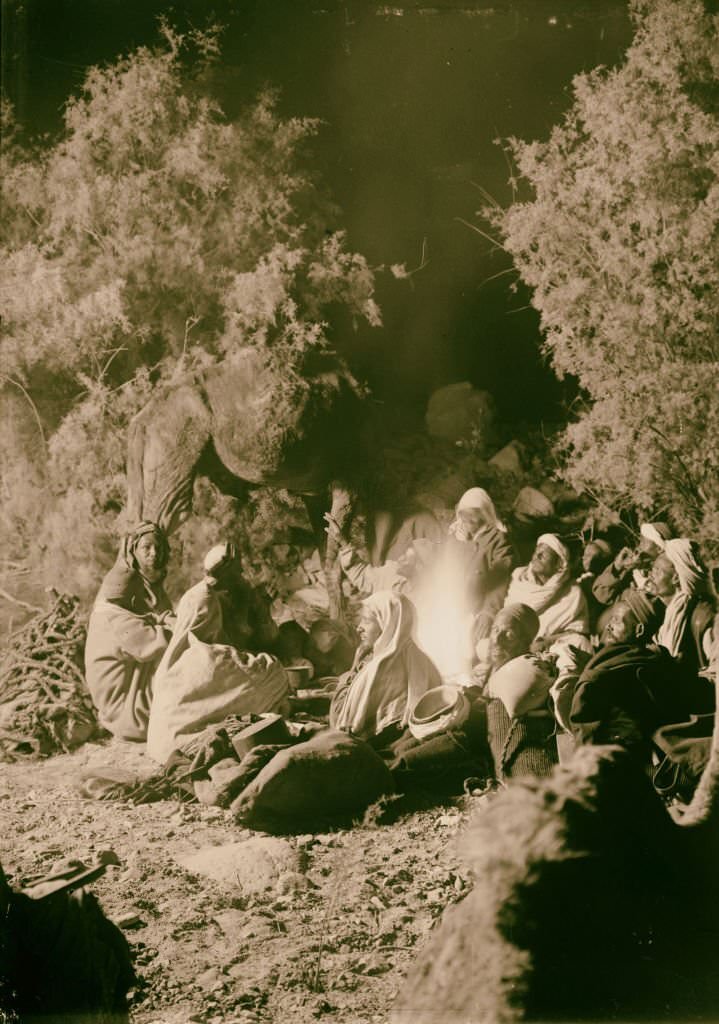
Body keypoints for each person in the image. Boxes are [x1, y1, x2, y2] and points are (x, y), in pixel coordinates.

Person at [146, 543, 289, 762]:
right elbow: (262, 670)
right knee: (273, 675)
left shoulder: (170, 663)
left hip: (159, 748)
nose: (242, 576)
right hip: (184, 748)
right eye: (237, 572)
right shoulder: (209, 657)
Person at [568, 589, 688, 764]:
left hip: (612, 762)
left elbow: (585, 733)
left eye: (617, 620)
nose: (609, 625)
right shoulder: (659, 659)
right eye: (611, 619)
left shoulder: (602, 674)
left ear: (639, 630)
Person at [84, 524, 175, 742]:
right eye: (147, 548)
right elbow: (160, 641)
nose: (154, 553)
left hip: (122, 708)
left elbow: (148, 619)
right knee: (182, 667)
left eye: (158, 548)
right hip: (130, 715)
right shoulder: (115, 619)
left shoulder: (110, 611)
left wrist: (162, 619)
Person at [329, 591, 441, 743]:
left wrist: (351, 672)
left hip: (379, 743)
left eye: (367, 621)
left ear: (388, 624)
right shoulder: (419, 657)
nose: (359, 628)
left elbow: (340, 719)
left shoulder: (383, 667)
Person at [651, 538, 716, 677]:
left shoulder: (702, 617)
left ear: (675, 578)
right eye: (652, 569)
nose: (652, 576)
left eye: (658, 571)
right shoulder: (671, 613)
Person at [592, 521, 672, 607]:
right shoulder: (634, 572)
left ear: (659, 548)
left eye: (644, 542)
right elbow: (600, 594)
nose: (639, 546)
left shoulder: (665, 577)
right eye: (640, 541)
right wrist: (617, 567)